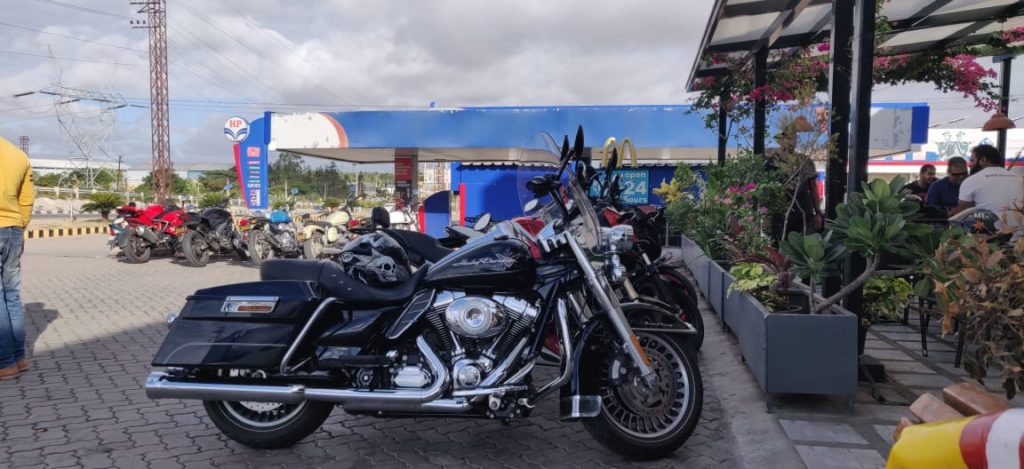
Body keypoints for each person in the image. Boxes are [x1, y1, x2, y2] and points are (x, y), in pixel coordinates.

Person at [0, 136, 35, 380]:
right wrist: (20, 229)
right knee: (11, 294)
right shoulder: (17, 154)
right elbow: (27, 199)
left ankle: (4, 362)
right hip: (13, 228)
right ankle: (19, 357)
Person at [952, 144, 1024, 231]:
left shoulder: (971, 180)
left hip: (990, 235)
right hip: (1019, 232)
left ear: (983, 160)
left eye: (972, 160)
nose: (969, 165)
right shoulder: (1018, 178)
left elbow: (962, 212)